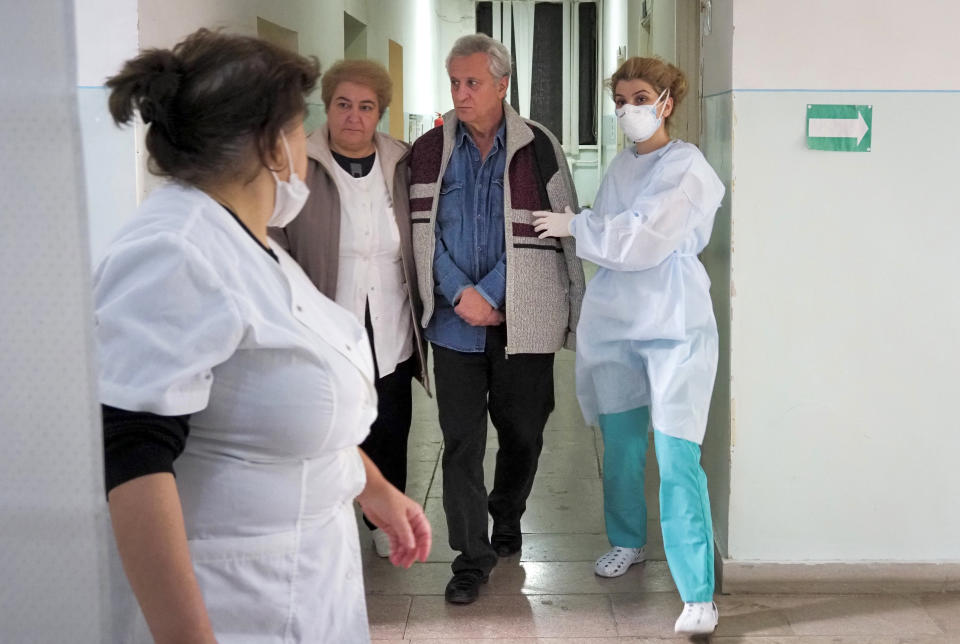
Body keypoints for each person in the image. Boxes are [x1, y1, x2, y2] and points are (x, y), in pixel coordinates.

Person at [97, 29, 430, 644]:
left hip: (306, 580)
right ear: (272, 144)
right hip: (236, 602)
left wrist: (375, 488)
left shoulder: (251, 242)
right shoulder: (175, 250)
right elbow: (132, 455)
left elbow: (277, 404)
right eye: (300, 127)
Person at [533, 56, 725, 636]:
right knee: (619, 447)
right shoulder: (621, 163)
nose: (628, 110)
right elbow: (616, 231)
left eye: (640, 97)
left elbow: (642, 240)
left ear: (667, 100)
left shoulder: (689, 167)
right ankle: (627, 541)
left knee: (675, 457)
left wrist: (577, 227)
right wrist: (589, 227)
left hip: (673, 325)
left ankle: (698, 592)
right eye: (620, 100)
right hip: (619, 321)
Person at [408, 33, 585, 605]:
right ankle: (470, 556)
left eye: (472, 82)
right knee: (460, 442)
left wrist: (493, 291)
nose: (460, 93)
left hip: (523, 319)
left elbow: (555, 226)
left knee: (525, 434)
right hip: (454, 323)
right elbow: (418, 234)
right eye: (454, 82)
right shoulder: (429, 150)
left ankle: (506, 512)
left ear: (503, 84)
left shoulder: (540, 147)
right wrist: (461, 292)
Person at [270, 59, 427, 560]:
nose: (353, 116)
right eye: (343, 104)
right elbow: (274, 241)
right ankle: (326, 517)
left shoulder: (401, 163)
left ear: (380, 113)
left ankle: (382, 520)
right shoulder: (300, 161)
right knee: (327, 423)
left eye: (366, 107)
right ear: (328, 106)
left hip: (390, 322)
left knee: (389, 424)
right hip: (325, 320)